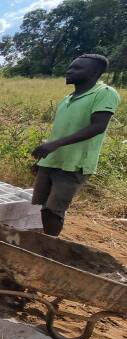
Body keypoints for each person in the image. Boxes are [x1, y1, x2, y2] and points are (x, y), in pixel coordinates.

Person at [30, 54, 120, 236]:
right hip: (52, 160)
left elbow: (98, 126)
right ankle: (47, 241)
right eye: (70, 67)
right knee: (44, 206)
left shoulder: (104, 93)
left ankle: (50, 247)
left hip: (73, 164)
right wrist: (43, 159)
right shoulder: (67, 99)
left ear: (94, 72)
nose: (69, 71)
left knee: (54, 210)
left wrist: (55, 145)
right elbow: (60, 132)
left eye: (77, 68)